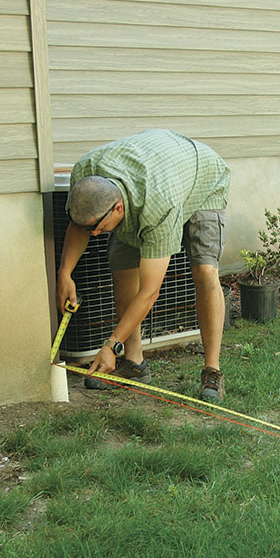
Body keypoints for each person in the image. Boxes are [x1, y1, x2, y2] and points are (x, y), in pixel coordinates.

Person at [56, 129, 231, 402]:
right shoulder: (85, 172)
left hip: (202, 179)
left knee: (204, 271)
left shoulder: (157, 206)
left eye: (99, 229)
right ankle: (135, 364)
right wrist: (65, 273)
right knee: (123, 269)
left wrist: (110, 345)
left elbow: (150, 292)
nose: (95, 236)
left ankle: (212, 371)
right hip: (157, 172)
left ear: (117, 210)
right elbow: (80, 226)